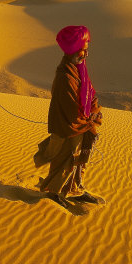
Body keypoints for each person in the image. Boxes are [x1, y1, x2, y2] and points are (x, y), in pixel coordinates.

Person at [34, 25, 102, 207]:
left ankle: (74, 190)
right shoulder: (65, 75)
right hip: (66, 126)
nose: (86, 54)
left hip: (79, 124)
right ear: (73, 50)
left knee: (77, 159)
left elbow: (89, 92)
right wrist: (91, 119)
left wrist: (94, 111)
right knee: (64, 159)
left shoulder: (79, 69)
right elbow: (72, 109)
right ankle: (53, 193)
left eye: (86, 50)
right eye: (83, 50)